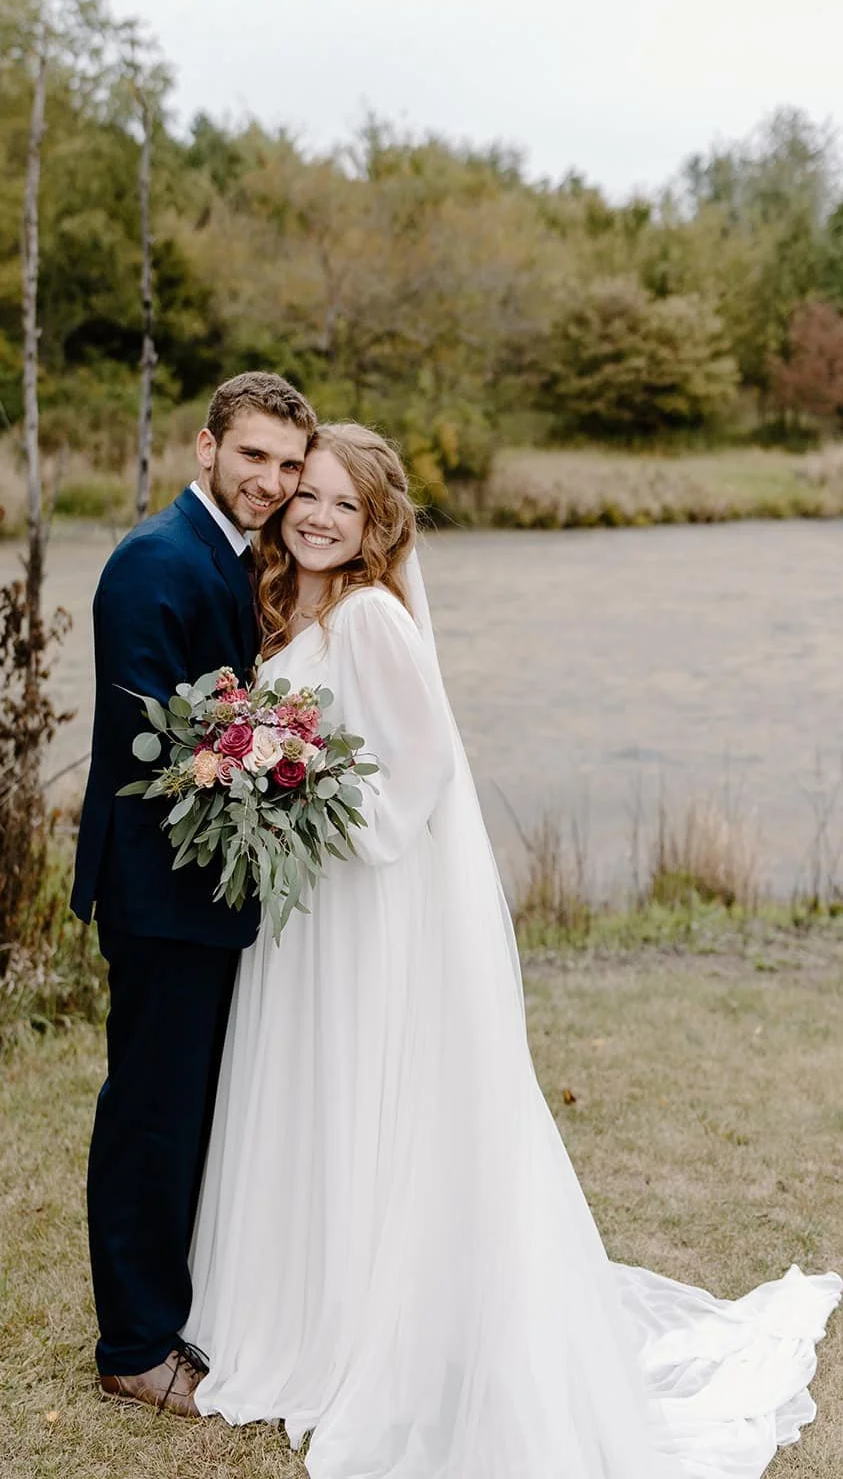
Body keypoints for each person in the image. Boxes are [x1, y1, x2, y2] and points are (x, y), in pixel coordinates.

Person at [188, 423, 840, 1478]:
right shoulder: (289, 607)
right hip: (307, 907)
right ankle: (298, 1304)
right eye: (307, 494)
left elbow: (422, 770)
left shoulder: (368, 618)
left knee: (360, 1085)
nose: (316, 516)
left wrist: (305, 805)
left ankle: (357, 1322)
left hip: (360, 897)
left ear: (375, 524)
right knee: (313, 1087)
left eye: (345, 505)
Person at [70, 371, 317, 1414]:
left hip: (212, 888)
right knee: (152, 1114)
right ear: (205, 447)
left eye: (288, 464)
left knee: (192, 1108)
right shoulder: (153, 561)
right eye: (253, 455)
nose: (271, 481)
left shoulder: (241, 558)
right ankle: (132, 1348)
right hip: (161, 890)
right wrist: (272, 757)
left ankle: (177, 1309)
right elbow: (155, 744)